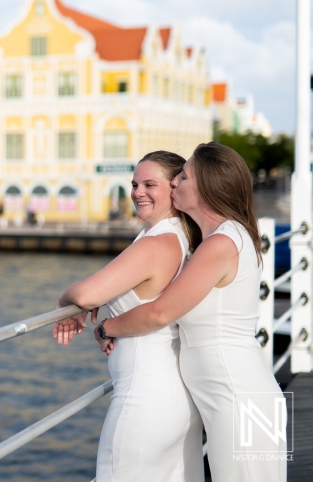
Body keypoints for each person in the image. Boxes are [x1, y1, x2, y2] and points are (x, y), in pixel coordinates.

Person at [97, 142, 287, 481]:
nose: (174, 184)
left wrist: (107, 327)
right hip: (239, 392)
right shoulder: (222, 238)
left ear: (205, 187)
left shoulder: (220, 244)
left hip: (237, 397)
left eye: (182, 177)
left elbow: (159, 313)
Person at [54, 151, 203, 482]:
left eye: (150, 184)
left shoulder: (158, 243)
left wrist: (65, 300)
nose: (138, 192)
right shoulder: (178, 236)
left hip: (144, 400)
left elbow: (85, 294)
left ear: (175, 188)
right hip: (172, 396)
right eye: (134, 184)